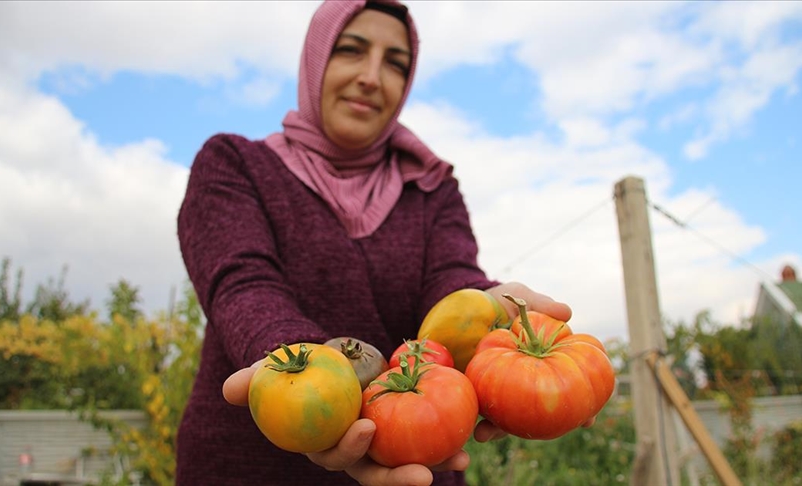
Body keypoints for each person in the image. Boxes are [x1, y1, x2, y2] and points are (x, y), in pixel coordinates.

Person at [176, 1, 576, 484]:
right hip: (248, 466)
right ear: (316, 60)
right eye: (351, 51)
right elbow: (242, 283)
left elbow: (452, 280)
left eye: (395, 63)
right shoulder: (235, 163)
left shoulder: (431, 187)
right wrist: (297, 362)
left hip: (412, 456)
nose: (371, 76)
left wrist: (488, 308)